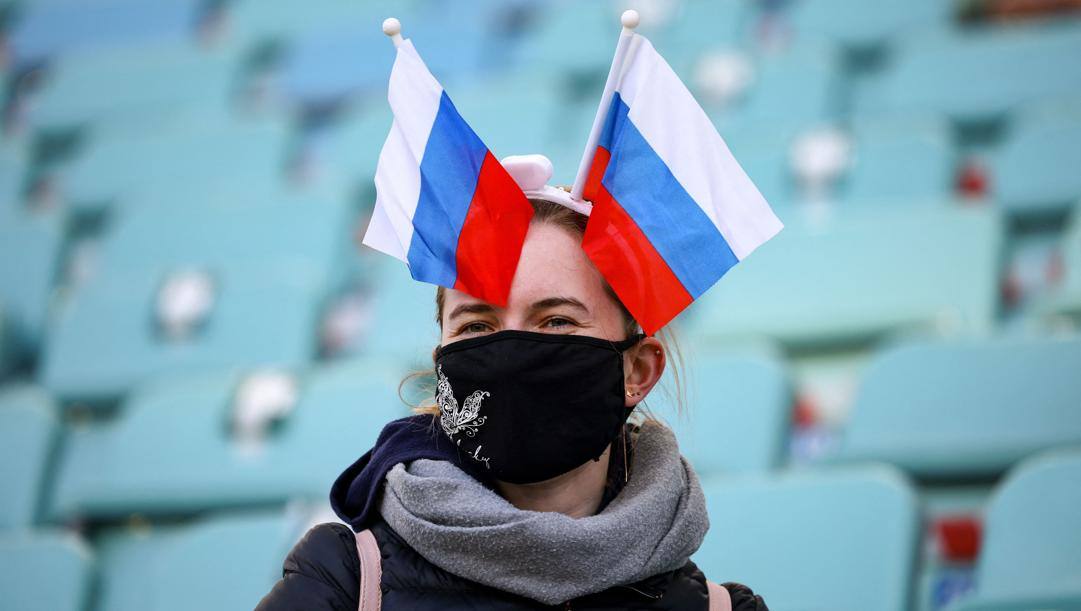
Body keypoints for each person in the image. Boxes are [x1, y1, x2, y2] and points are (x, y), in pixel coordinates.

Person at [255, 196, 768, 610]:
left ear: (636, 371)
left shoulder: (719, 610)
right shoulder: (345, 580)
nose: (510, 356)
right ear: (443, 368)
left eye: (556, 321)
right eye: (477, 327)